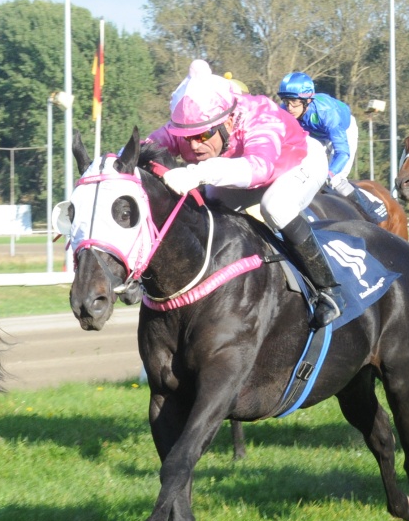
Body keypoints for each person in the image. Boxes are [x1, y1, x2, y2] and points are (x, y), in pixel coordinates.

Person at [145, 59, 344, 328]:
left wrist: (198, 173)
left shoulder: (260, 117)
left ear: (227, 121)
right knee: (206, 208)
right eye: (186, 136)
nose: (193, 145)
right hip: (245, 167)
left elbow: (259, 169)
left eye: (202, 137)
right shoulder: (188, 125)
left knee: (275, 207)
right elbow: (140, 150)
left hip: (298, 161)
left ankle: (329, 290)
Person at [277, 71, 386, 223]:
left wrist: (330, 173)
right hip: (316, 135)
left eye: (294, 102)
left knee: (335, 180)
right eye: (286, 101)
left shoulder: (326, 113)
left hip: (342, 130)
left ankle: (370, 207)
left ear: (307, 100)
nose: (289, 107)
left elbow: (342, 152)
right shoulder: (284, 111)